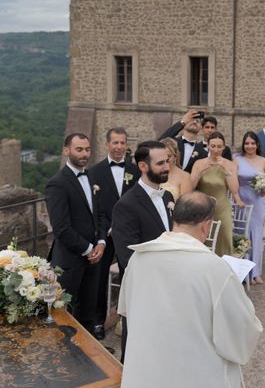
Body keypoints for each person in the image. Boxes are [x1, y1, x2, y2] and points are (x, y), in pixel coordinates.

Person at [118, 192, 263, 388]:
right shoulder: (215, 269)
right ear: (206, 225)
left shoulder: (138, 258)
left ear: (174, 218)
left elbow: (128, 310)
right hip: (196, 375)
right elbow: (241, 329)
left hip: (147, 371)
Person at [112, 140, 174, 362]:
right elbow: (128, 257)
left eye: (167, 161)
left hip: (169, 286)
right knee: (136, 348)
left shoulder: (167, 197)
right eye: (160, 163)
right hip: (143, 289)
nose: (166, 167)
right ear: (142, 166)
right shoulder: (126, 205)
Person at [45, 133, 105, 333]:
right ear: (66, 151)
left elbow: (100, 214)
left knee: (88, 312)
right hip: (70, 261)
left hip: (94, 258)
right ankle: (66, 358)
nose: (84, 154)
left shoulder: (91, 176)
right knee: (64, 315)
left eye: (87, 149)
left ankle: (90, 358)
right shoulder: (57, 183)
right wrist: (88, 249)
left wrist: (102, 243)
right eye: (79, 149)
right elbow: (61, 227)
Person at [88, 127, 140, 340]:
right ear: (107, 144)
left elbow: (137, 201)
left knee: (132, 276)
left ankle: (132, 320)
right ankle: (98, 321)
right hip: (104, 234)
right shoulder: (94, 171)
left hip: (129, 234)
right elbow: (95, 206)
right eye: (115, 143)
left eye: (122, 143)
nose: (119, 147)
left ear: (127, 145)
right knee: (99, 279)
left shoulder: (135, 170)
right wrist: (104, 229)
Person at [191, 132, 244, 256]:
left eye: (219, 147)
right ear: (208, 146)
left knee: (224, 240)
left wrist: (226, 171)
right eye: (213, 146)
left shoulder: (230, 164)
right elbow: (191, 187)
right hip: (202, 209)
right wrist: (200, 172)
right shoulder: (199, 163)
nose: (216, 150)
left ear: (224, 147)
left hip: (222, 209)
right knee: (201, 242)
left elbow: (235, 190)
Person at [235, 131, 265, 284]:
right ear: (243, 145)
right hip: (242, 201)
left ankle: (256, 272)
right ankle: (243, 271)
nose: (249, 146)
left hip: (258, 201)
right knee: (242, 234)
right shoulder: (236, 160)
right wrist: (237, 199)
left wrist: (264, 187)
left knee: (256, 235)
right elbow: (232, 182)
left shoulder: (263, 161)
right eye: (247, 143)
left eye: (252, 143)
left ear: (257, 145)